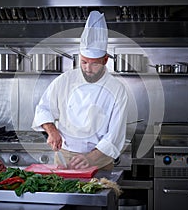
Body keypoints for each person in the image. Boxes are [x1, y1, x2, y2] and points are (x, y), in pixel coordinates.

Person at [32, 10, 129, 170]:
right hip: (65, 155)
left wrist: (90, 158)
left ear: (105, 60)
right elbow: (43, 108)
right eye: (84, 62)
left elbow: (115, 135)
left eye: (95, 63)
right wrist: (51, 130)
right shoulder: (64, 80)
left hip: (99, 159)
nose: (88, 69)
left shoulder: (117, 90)